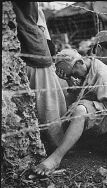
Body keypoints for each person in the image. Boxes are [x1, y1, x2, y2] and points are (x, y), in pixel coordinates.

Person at [33, 48, 107, 175]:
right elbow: (81, 93)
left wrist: (81, 105)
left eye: (74, 73)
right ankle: (63, 142)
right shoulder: (87, 68)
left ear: (80, 62)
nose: (74, 76)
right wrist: (68, 79)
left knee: (80, 109)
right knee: (67, 97)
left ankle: (56, 158)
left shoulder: (102, 75)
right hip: (97, 111)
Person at [12, 2, 67, 154]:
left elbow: (45, 37)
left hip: (36, 56)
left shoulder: (33, 8)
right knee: (43, 103)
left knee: (48, 105)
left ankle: (59, 146)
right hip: (32, 55)